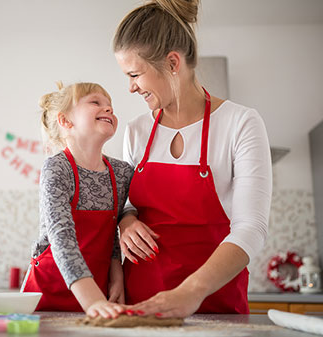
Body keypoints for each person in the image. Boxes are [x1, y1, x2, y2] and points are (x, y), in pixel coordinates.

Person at [113, 0, 272, 317]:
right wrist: (126, 222)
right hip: (141, 309)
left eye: (135, 74)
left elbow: (251, 228)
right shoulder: (136, 132)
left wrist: (191, 291)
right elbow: (127, 205)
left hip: (215, 306)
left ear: (173, 63)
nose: (130, 88)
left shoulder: (240, 123)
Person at [21, 82, 134, 318]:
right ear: (65, 121)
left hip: (99, 296)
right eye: (96, 102)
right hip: (47, 296)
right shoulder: (56, 167)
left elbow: (111, 233)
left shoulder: (122, 172)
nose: (109, 109)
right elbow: (61, 236)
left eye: (110, 105)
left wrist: (117, 275)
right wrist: (91, 300)